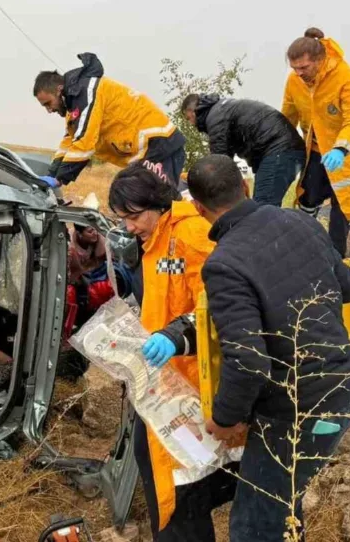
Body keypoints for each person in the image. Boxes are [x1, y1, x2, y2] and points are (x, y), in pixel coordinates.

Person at [187, 154, 350, 542]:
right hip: (342, 390)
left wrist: (225, 418)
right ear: (245, 187)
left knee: (255, 526)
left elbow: (247, 360)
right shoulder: (300, 220)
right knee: (282, 507)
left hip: (296, 411)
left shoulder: (224, 263)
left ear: (199, 209)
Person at [108, 164, 237, 542]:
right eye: (122, 219)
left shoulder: (192, 234)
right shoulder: (153, 241)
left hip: (191, 384)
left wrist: (175, 337)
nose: (129, 227)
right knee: (161, 470)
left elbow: (217, 304)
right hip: (162, 381)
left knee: (181, 482)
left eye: (134, 216)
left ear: (158, 203)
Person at [282, 27, 350, 256]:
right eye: (294, 68)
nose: (299, 73)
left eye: (304, 68)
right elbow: (288, 115)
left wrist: (341, 148)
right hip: (317, 149)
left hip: (349, 152)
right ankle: (304, 246)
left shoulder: (344, 77)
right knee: (307, 197)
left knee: (341, 207)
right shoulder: (294, 81)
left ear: (319, 60)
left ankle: (337, 257)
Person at [34, 53, 186, 188]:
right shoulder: (74, 105)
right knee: (138, 200)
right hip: (149, 149)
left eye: (48, 103)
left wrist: (60, 178)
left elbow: (85, 142)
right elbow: (69, 141)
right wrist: (52, 174)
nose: (49, 110)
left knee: (155, 202)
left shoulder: (86, 93)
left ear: (59, 89)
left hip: (160, 144)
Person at [180, 93, 306, 206]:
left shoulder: (215, 118)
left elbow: (219, 162)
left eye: (188, 119)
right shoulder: (221, 108)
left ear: (192, 112)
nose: (191, 124)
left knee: (264, 207)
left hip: (280, 150)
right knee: (265, 206)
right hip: (283, 149)